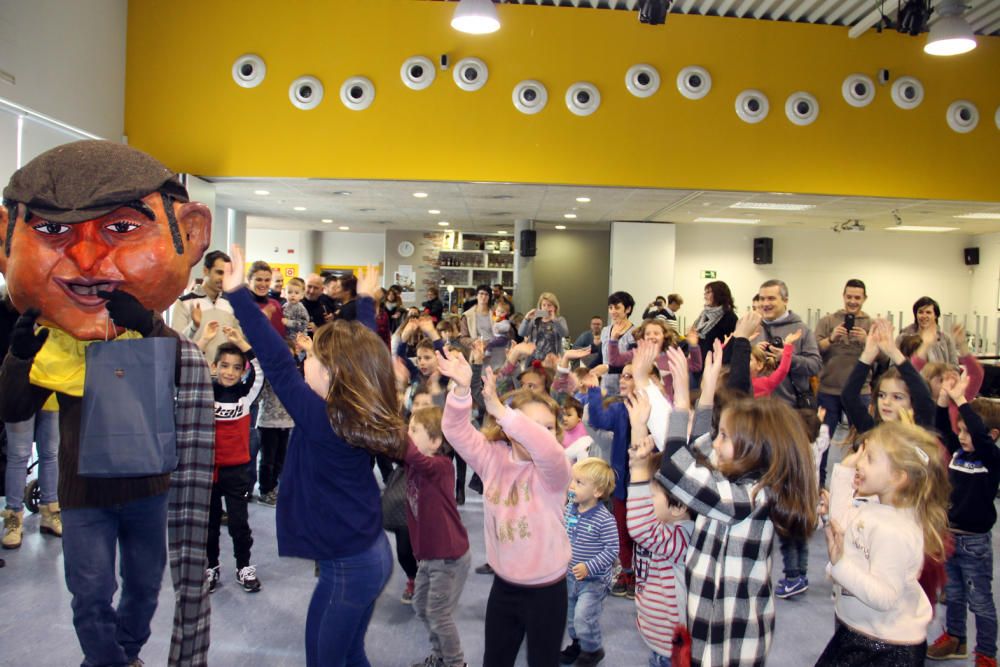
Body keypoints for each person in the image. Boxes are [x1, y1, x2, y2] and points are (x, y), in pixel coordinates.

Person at [0, 140, 215, 666]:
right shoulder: (53, 343)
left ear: (190, 235)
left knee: (143, 590)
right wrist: (19, 354)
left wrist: (144, 324)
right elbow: (13, 409)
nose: (89, 259)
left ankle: (125, 654)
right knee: (90, 596)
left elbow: (186, 381)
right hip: (83, 493)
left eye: (121, 228)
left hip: (149, 487)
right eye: (52, 230)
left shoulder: (160, 339)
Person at [224, 247, 401, 667]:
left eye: (313, 358)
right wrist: (365, 305)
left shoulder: (324, 420)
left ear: (333, 374)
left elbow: (275, 361)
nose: (305, 360)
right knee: (348, 654)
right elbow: (361, 352)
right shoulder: (357, 407)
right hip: (364, 556)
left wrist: (237, 294)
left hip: (350, 566)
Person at [658, 343, 818, 667]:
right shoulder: (734, 476)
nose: (716, 441)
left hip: (733, 628)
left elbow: (677, 465)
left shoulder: (749, 498)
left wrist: (679, 402)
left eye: (725, 436)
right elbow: (701, 449)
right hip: (707, 610)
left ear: (754, 448)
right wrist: (705, 393)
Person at [437, 349, 572, 667]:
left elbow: (548, 450)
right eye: (530, 425)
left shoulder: (554, 472)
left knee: (543, 662)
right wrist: (460, 390)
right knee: (495, 660)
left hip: (547, 591)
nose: (541, 434)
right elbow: (455, 431)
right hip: (505, 586)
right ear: (508, 432)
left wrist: (501, 409)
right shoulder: (492, 457)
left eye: (548, 428)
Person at [815, 422, 950, 666]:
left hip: (884, 647)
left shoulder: (895, 531)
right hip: (859, 630)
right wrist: (845, 472)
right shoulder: (876, 505)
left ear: (898, 477)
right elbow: (840, 526)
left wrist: (840, 565)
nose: (860, 462)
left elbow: (885, 596)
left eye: (870, 458)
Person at [926, 383, 999, 666]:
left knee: (980, 602)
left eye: (968, 431)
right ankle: (956, 639)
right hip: (950, 537)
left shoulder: (991, 459)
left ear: (992, 435)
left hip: (975, 543)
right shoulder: (958, 452)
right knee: (953, 593)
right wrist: (944, 401)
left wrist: (962, 400)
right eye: (962, 430)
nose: (963, 436)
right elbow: (942, 429)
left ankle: (986, 653)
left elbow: (979, 437)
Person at [405, 406, 472, 667]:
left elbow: (415, 457)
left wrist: (398, 436)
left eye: (413, 430)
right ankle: (441, 657)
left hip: (448, 557)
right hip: (428, 556)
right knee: (421, 606)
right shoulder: (414, 464)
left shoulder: (441, 466)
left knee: (438, 613)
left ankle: (455, 663)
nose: (407, 434)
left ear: (435, 442)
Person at [200, 332, 264, 594]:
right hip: (209, 471)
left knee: (239, 523)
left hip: (237, 471)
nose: (229, 372)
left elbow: (261, 369)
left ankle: (244, 566)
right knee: (210, 523)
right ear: (214, 367)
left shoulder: (245, 395)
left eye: (237, 367)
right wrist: (204, 341)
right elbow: (185, 367)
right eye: (224, 365)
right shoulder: (205, 391)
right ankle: (211, 567)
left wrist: (242, 344)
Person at [626, 427, 694, 667]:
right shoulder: (661, 527)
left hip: (673, 648)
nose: (643, 501)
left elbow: (640, 526)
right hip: (656, 636)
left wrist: (638, 469)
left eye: (650, 496)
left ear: (678, 507)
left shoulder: (681, 537)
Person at [560, 457, 619, 667]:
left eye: (579, 483)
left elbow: (612, 550)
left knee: (584, 617)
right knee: (570, 617)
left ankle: (593, 649)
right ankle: (578, 644)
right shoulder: (570, 509)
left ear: (597, 492)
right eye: (572, 480)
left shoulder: (604, 519)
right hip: (569, 577)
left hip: (593, 581)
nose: (572, 486)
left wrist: (589, 566)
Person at [813, 279, 873, 483]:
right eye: (849, 297)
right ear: (843, 296)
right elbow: (815, 349)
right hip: (829, 390)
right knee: (822, 440)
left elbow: (883, 357)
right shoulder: (828, 321)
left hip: (860, 392)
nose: (853, 301)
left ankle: (860, 484)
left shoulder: (871, 324)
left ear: (865, 298)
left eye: (857, 297)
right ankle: (819, 483)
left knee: (863, 441)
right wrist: (831, 339)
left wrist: (867, 341)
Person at [750, 279, 822, 408]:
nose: (765, 303)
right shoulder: (751, 328)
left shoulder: (801, 330)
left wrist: (787, 358)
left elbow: (814, 365)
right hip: (755, 408)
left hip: (789, 408)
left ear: (785, 300)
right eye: (762, 299)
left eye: (771, 298)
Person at [171, 249, 242, 362]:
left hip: (224, 375)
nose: (223, 278)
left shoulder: (231, 304)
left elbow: (240, 340)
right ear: (205, 271)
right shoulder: (185, 303)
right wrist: (194, 325)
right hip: (195, 369)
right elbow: (177, 343)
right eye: (219, 272)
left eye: (226, 274)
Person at [897, 296, 959, 365]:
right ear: (916, 315)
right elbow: (894, 366)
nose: (924, 316)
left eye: (928, 312)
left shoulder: (946, 339)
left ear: (935, 315)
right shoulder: (903, 338)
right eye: (920, 312)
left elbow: (955, 367)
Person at [690, 281, 737, 365]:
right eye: (705, 293)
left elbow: (731, 346)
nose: (705, 296)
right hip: (697, 363)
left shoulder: (730, 317)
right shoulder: (704, 314)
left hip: (715, 365)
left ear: (719, 294)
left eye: (708, 292)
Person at [519, 292, 568, 362]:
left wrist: (554, 320)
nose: (546, 308)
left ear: (555, 307)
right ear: (540, 307)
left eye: (549, 305)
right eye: (544, 305)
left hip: (552, 360)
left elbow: (564, 334)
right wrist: (526, 318)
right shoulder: (535, 320)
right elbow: (521, 333)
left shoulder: (560, 320)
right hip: (533, 359)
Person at [247, 260, 286, 337]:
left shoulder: (275, 305)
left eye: (267, 280)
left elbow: (281, 335)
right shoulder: (242, 305)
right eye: (259, 280)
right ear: (249, 280)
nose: (263, 284)